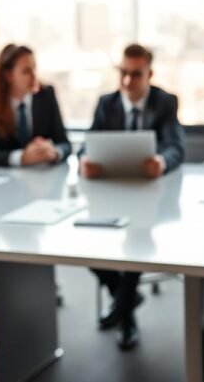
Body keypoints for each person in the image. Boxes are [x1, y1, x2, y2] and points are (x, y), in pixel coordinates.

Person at [80, 43, 186, 350]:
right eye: (123, 73)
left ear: (149, 75)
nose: (127, 81)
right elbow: (86, 144)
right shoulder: (106, 104)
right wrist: (86, 159)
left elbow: (176, 146)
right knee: (82, 243)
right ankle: (126, 297)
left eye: (135, 75)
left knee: (138, 237)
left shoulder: (165, 102)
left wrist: (161, 162)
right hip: (108, 192)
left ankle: (125, 316)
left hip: (151, 194)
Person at [0, 44, 72, 167]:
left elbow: (65, 143)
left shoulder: (46, 94)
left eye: (34, 68)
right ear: (8, 76)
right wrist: (21, 157)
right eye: (26, 71)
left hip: (43, 175)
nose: (34, 76)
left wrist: (54, 152)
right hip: (6, 177)